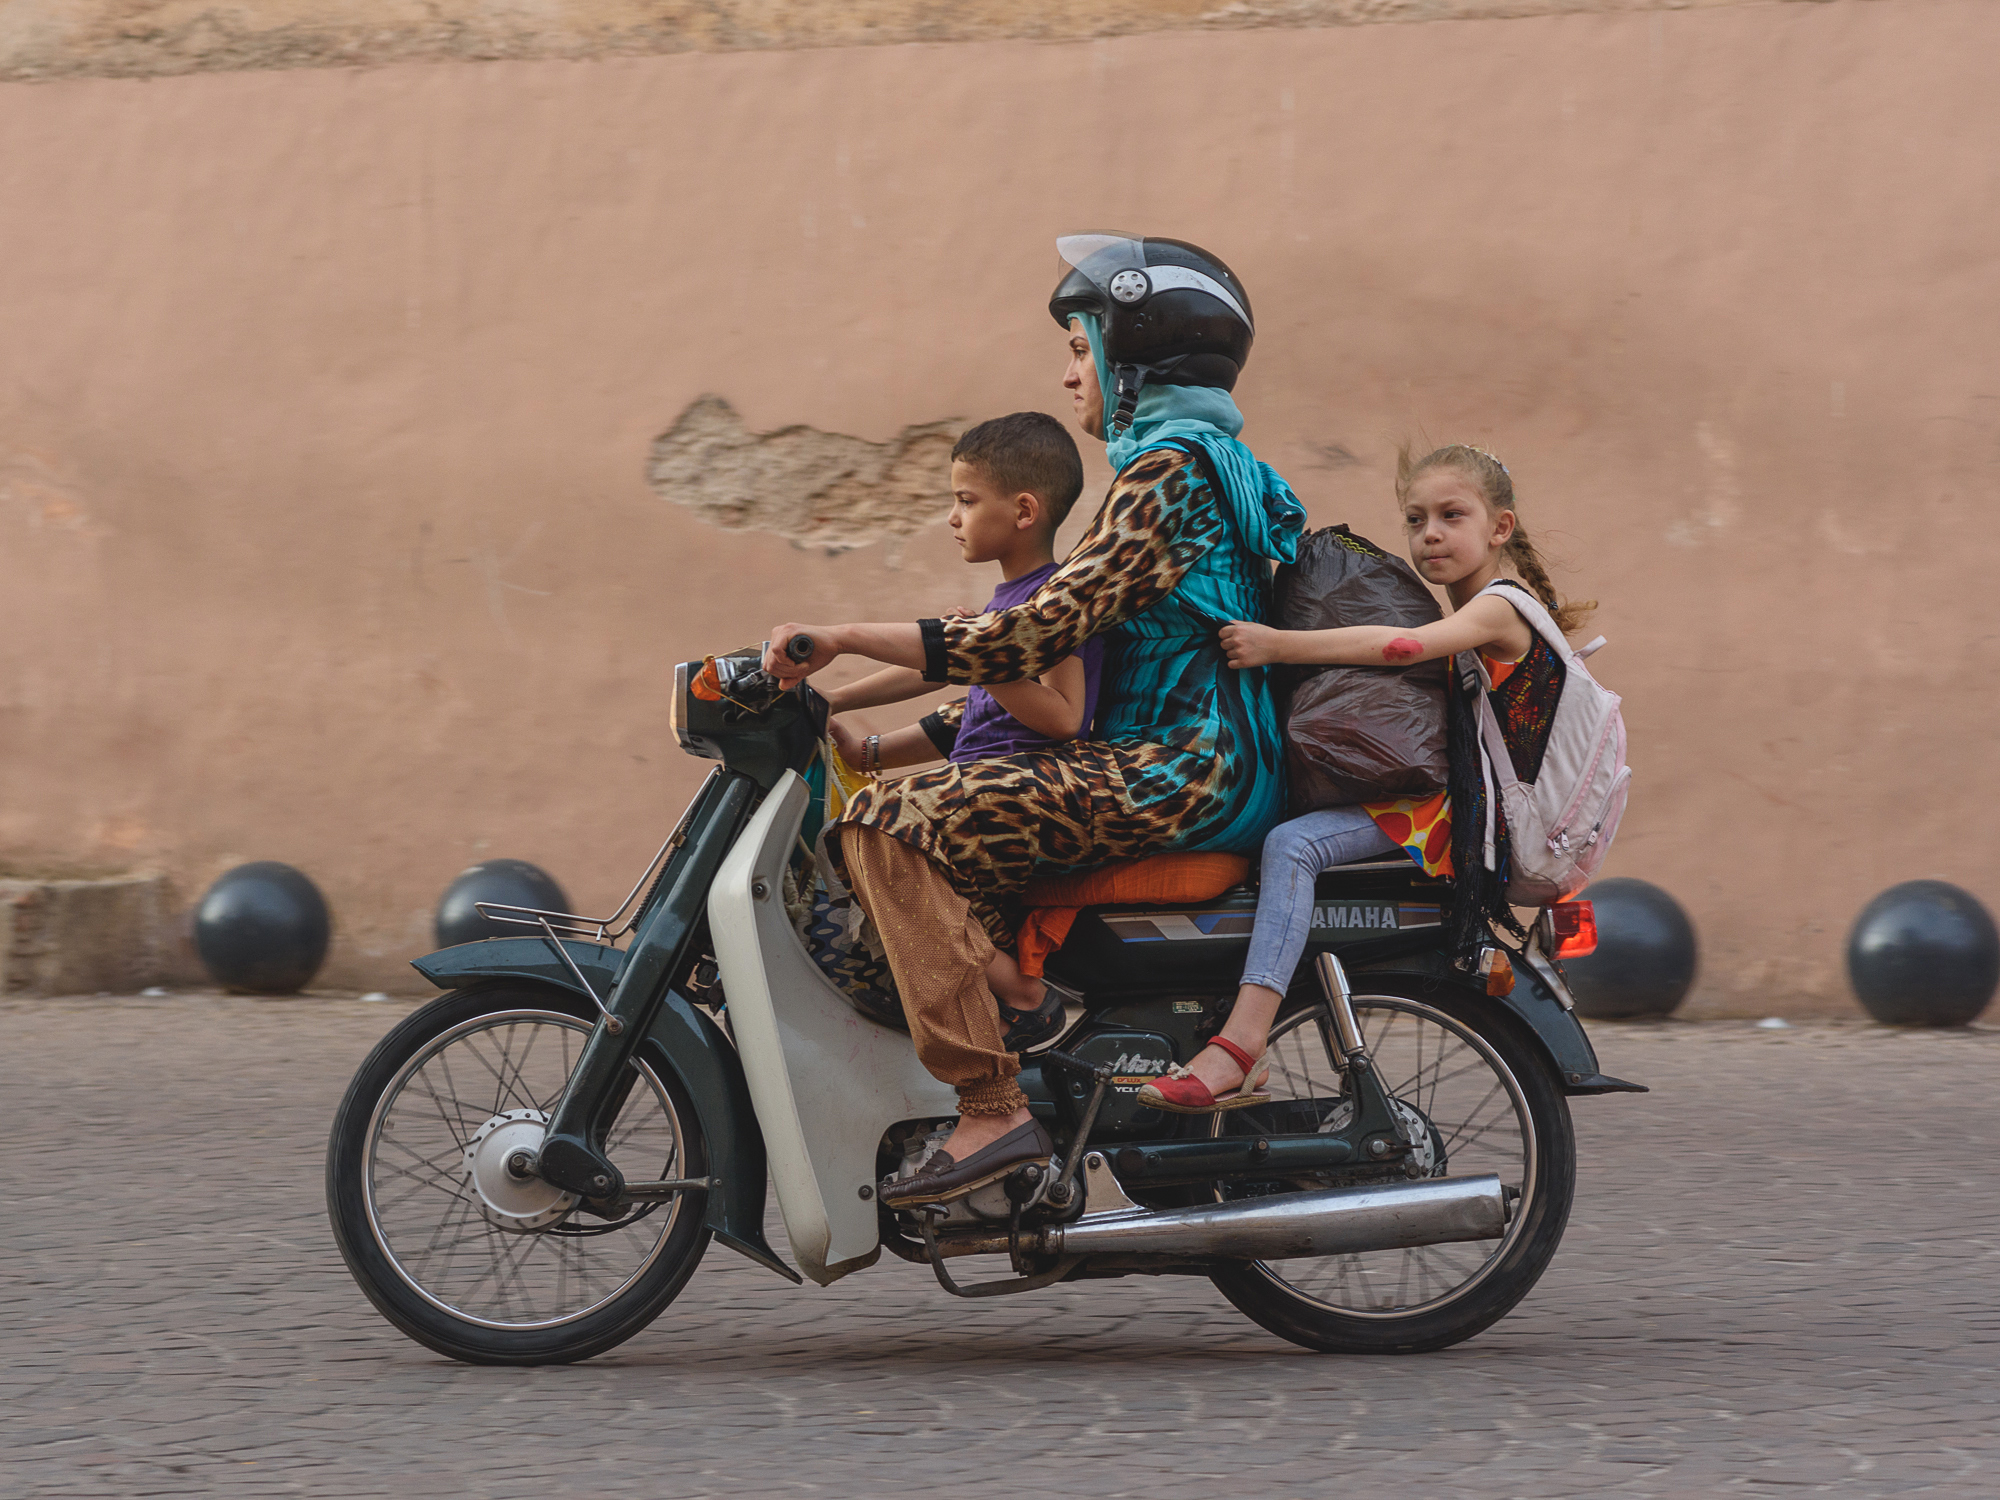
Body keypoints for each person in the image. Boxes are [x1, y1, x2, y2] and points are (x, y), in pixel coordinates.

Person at [764, 235, 1305, 1205]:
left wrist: (846, 634)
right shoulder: (1194, 464)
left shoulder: (1168, 475)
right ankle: (1027, 1059)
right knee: (917, 835)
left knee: (886, 823)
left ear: (1135, 358)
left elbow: (1025, 639)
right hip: (1184, 756)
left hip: (1178, 768)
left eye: (1079, 347)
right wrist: (861, 722)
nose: (1068, 375)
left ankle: (988, 1108)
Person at [1141, 443, 1596, 1112]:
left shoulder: (1501, 609)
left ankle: (1240, 1045)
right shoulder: (1479, 609)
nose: (1430, 534)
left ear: (1500, 527)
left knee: (1292, 847)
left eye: (1451, 515)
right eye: (1415, 520)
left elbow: (1400, 647)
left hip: (1453, 817)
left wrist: (1277, 643)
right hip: (1453, 806)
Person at [820, 410, 1101, 1047]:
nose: (953, 517)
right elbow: (935, 672)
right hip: (973, 787)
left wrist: (982, 655)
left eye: (966, 501)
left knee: (874, 834)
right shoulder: (1005, 606)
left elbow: (1062, 716)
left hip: (1018, 797)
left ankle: (1020, 990)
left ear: (1024, 511)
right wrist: (830, 702)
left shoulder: (1052, 602)